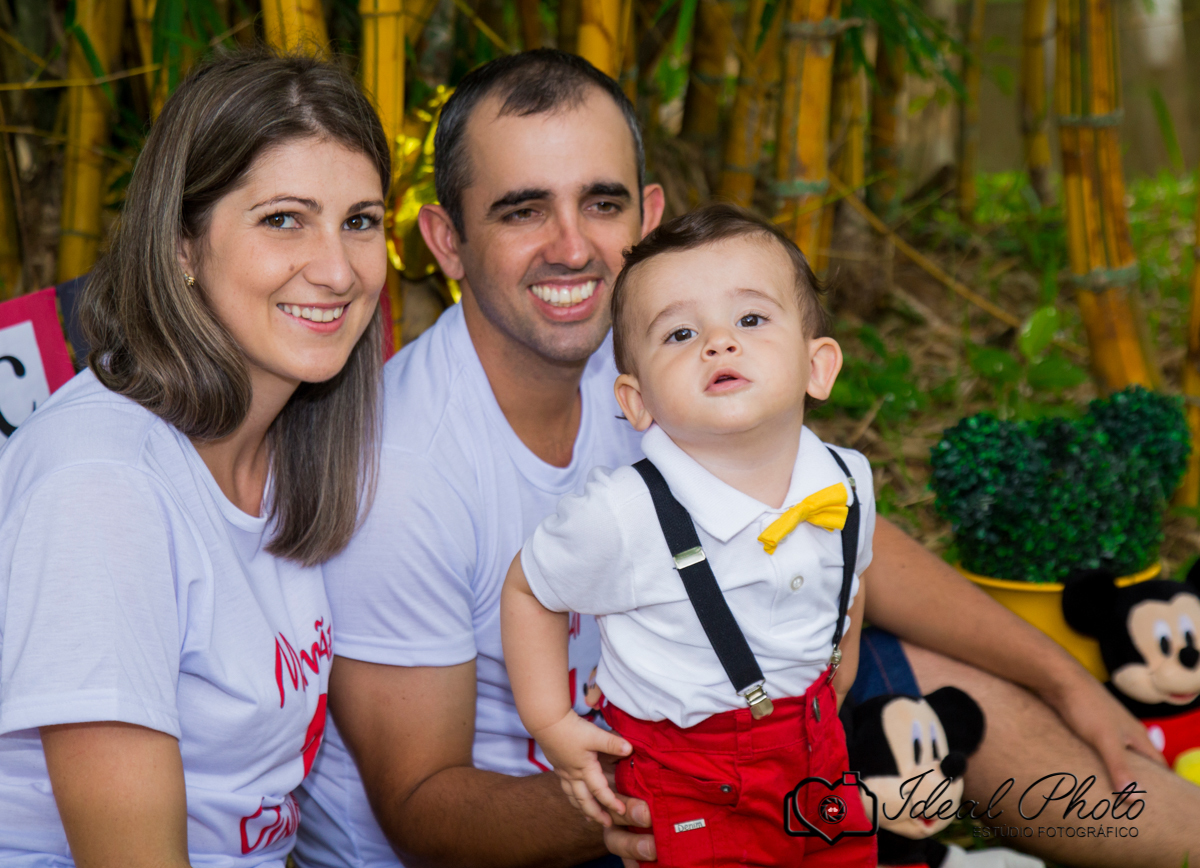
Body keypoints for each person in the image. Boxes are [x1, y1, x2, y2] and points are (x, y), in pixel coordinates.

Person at [298, 48, 1200, 868]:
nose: (572, 247)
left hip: (743, 729)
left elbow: (841, 528)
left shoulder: (674, 353)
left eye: (603, 204)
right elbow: (423, 813)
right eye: (523, 210)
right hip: (560, 820)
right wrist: (666, 790)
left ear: (649, 220)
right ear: (446, 241)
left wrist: (1060, 675)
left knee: (946, 676)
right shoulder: (401, 469)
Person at [0, 51, 389, 867]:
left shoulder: (293, 447)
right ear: (181, 246)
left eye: (360, 221)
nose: (337, 270)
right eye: (283, 219)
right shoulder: (102, 487)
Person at [502, 204, 877, 867]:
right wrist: (551, 722)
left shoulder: (846, 481)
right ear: (637, 401)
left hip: (817, 743)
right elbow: (530, 589)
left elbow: (851, 579)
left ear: (817, 366)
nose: (719, 342)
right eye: (680, 333)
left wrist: (835, 676)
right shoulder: (621, 514)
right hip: (691, 770)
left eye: (751, 319)